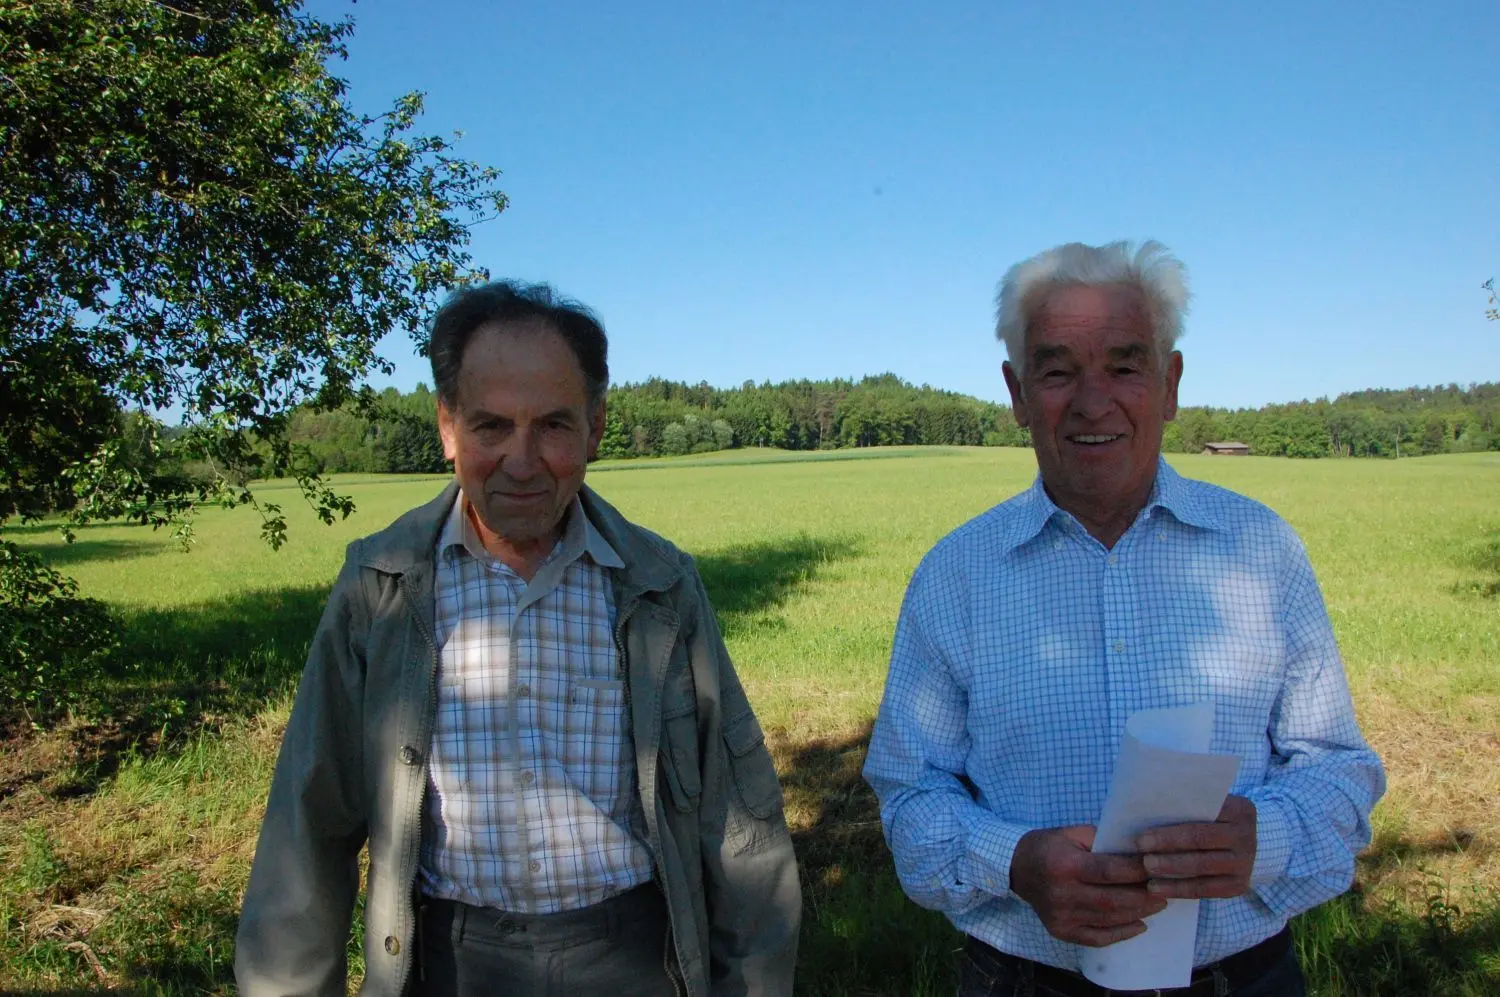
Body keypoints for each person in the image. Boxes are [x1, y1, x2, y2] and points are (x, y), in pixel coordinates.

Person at [236, 282, 800, 997]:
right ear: (448, 428)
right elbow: (307, 829)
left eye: (554, 425)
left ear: (596, 427)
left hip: (632, 959)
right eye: (492, 426)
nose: (523, 460)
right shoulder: (379, 589)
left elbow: (740, 823)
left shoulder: (660, 585)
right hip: (450, 963)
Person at [862, 241, 1384, 996]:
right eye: (1057, 369)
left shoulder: (1262, 549)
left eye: (1125, 365)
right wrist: (1012, 860)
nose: (1092, 399)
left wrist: (1263, 840)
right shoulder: (956, 576)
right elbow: (909, 796)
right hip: (1022, 979)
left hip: (1244, 977)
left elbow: (1338, 768)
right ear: (1016, 392)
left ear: (1169, 384)